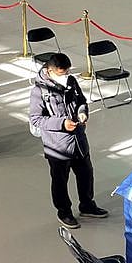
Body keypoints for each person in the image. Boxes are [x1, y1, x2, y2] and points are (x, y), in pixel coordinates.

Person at [29, 53, 108, 228]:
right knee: (60, 180)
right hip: (57, 146)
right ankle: (64, 211)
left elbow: (81, 100)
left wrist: (82, 112)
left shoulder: (71, 81)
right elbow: (36, 119)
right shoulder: (39, 92)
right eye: (61, 73)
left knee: (86, 174)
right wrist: (61, 123)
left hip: (78, 141)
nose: (66, 75)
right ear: (50, 70)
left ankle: (87, 205)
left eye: (67, 72)